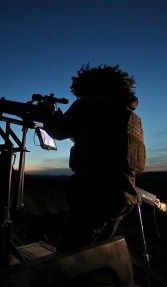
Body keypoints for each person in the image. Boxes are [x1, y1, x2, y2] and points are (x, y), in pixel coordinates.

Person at [43, 64, 146, 252]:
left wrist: (47, 117)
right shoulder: (128, 115)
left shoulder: (91, 104)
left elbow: (59, 131)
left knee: (70, 256)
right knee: (96, 253)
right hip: (122, 196)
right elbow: (100, 140)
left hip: (95, 195)